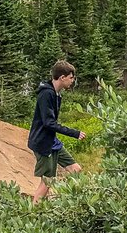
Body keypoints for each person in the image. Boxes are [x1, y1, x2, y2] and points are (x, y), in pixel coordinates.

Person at [28, 59, 86, 204]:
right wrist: (74, 133)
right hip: (43, 142)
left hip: (52, 141)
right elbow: (48, 123)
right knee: (47, 181)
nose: (72, 81)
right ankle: (33, 213)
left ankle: (70, 200)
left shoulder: (56, 93)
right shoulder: (46, 94)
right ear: (62, 77)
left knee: (76, 169)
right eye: (71, 77)